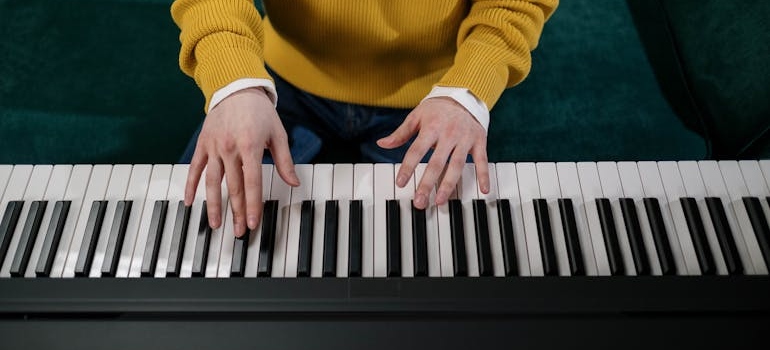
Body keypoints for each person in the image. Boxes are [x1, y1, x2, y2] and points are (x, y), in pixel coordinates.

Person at [171, 0, 559, 237]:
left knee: (449, 258)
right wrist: (235, 82)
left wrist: (467, 90)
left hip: (438, 92)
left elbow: (514, 3)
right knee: (194, 229)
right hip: (276, 79)